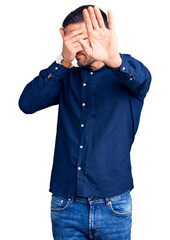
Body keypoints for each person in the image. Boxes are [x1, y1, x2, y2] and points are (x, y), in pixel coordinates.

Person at [18, 4, 152, 240]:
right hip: (65, 205)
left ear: (103, 34)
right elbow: (27, 103)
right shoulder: (65, 75)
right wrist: (63, 59)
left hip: (114, 205)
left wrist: (112, 58)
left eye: (84, 38)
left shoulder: (128, 71)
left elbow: (141, 80)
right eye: (71, 40)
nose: (77, 47)